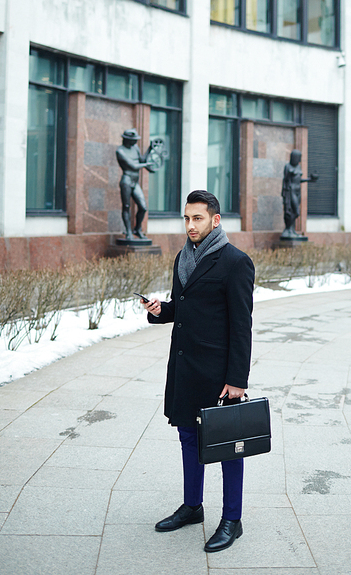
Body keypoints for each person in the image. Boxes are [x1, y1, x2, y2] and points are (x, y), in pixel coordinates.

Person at [142, 189, 255, 553]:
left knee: (225, 446)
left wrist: (237, 380)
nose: (190, 225)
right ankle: (193, 507)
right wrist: (162, 310)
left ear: (215, 220)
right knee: (188, 439)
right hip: (185, 368)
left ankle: (232, 519)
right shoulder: (183, 257)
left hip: (218, 374)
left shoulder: (236, 262)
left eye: (198, 218)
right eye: (187, 218)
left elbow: (241, 326)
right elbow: (184, 306)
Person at [116, 128, 155, 240]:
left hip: (135, 181)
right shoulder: (120, 151)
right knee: (126, 206)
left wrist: (150, 149)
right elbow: (133, 165)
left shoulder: (135, 148)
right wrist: (147, 164)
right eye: (133, 140)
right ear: (127, 140)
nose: (135, 142)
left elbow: (142, 160)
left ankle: (137, 229)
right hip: (126, 181)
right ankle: (128, 231)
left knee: (143, 207)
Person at [281, 149, 318, 239]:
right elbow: (285, 181)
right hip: (291, 191)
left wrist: (310, 179)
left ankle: (292, 230)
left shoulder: (298, 167)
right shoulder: (288, 167)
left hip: (298, 192)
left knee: (295, 212)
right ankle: (287, 229)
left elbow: (298, 180)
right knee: (294, 211)